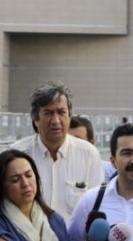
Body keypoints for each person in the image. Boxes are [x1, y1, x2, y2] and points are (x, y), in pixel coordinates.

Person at [10, 83, 104, 219]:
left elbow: (96, 207)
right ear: (36, 119)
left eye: (61, 112)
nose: (55, 121)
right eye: (48, 113)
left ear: (69, 116)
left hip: (75, 240)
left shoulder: (89, 154)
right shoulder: (18, 154)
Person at [68, 116, 115, 182]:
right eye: (67, 140)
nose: (71, 145)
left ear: (91, 143)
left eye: (78, 140)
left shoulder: (111, 173)